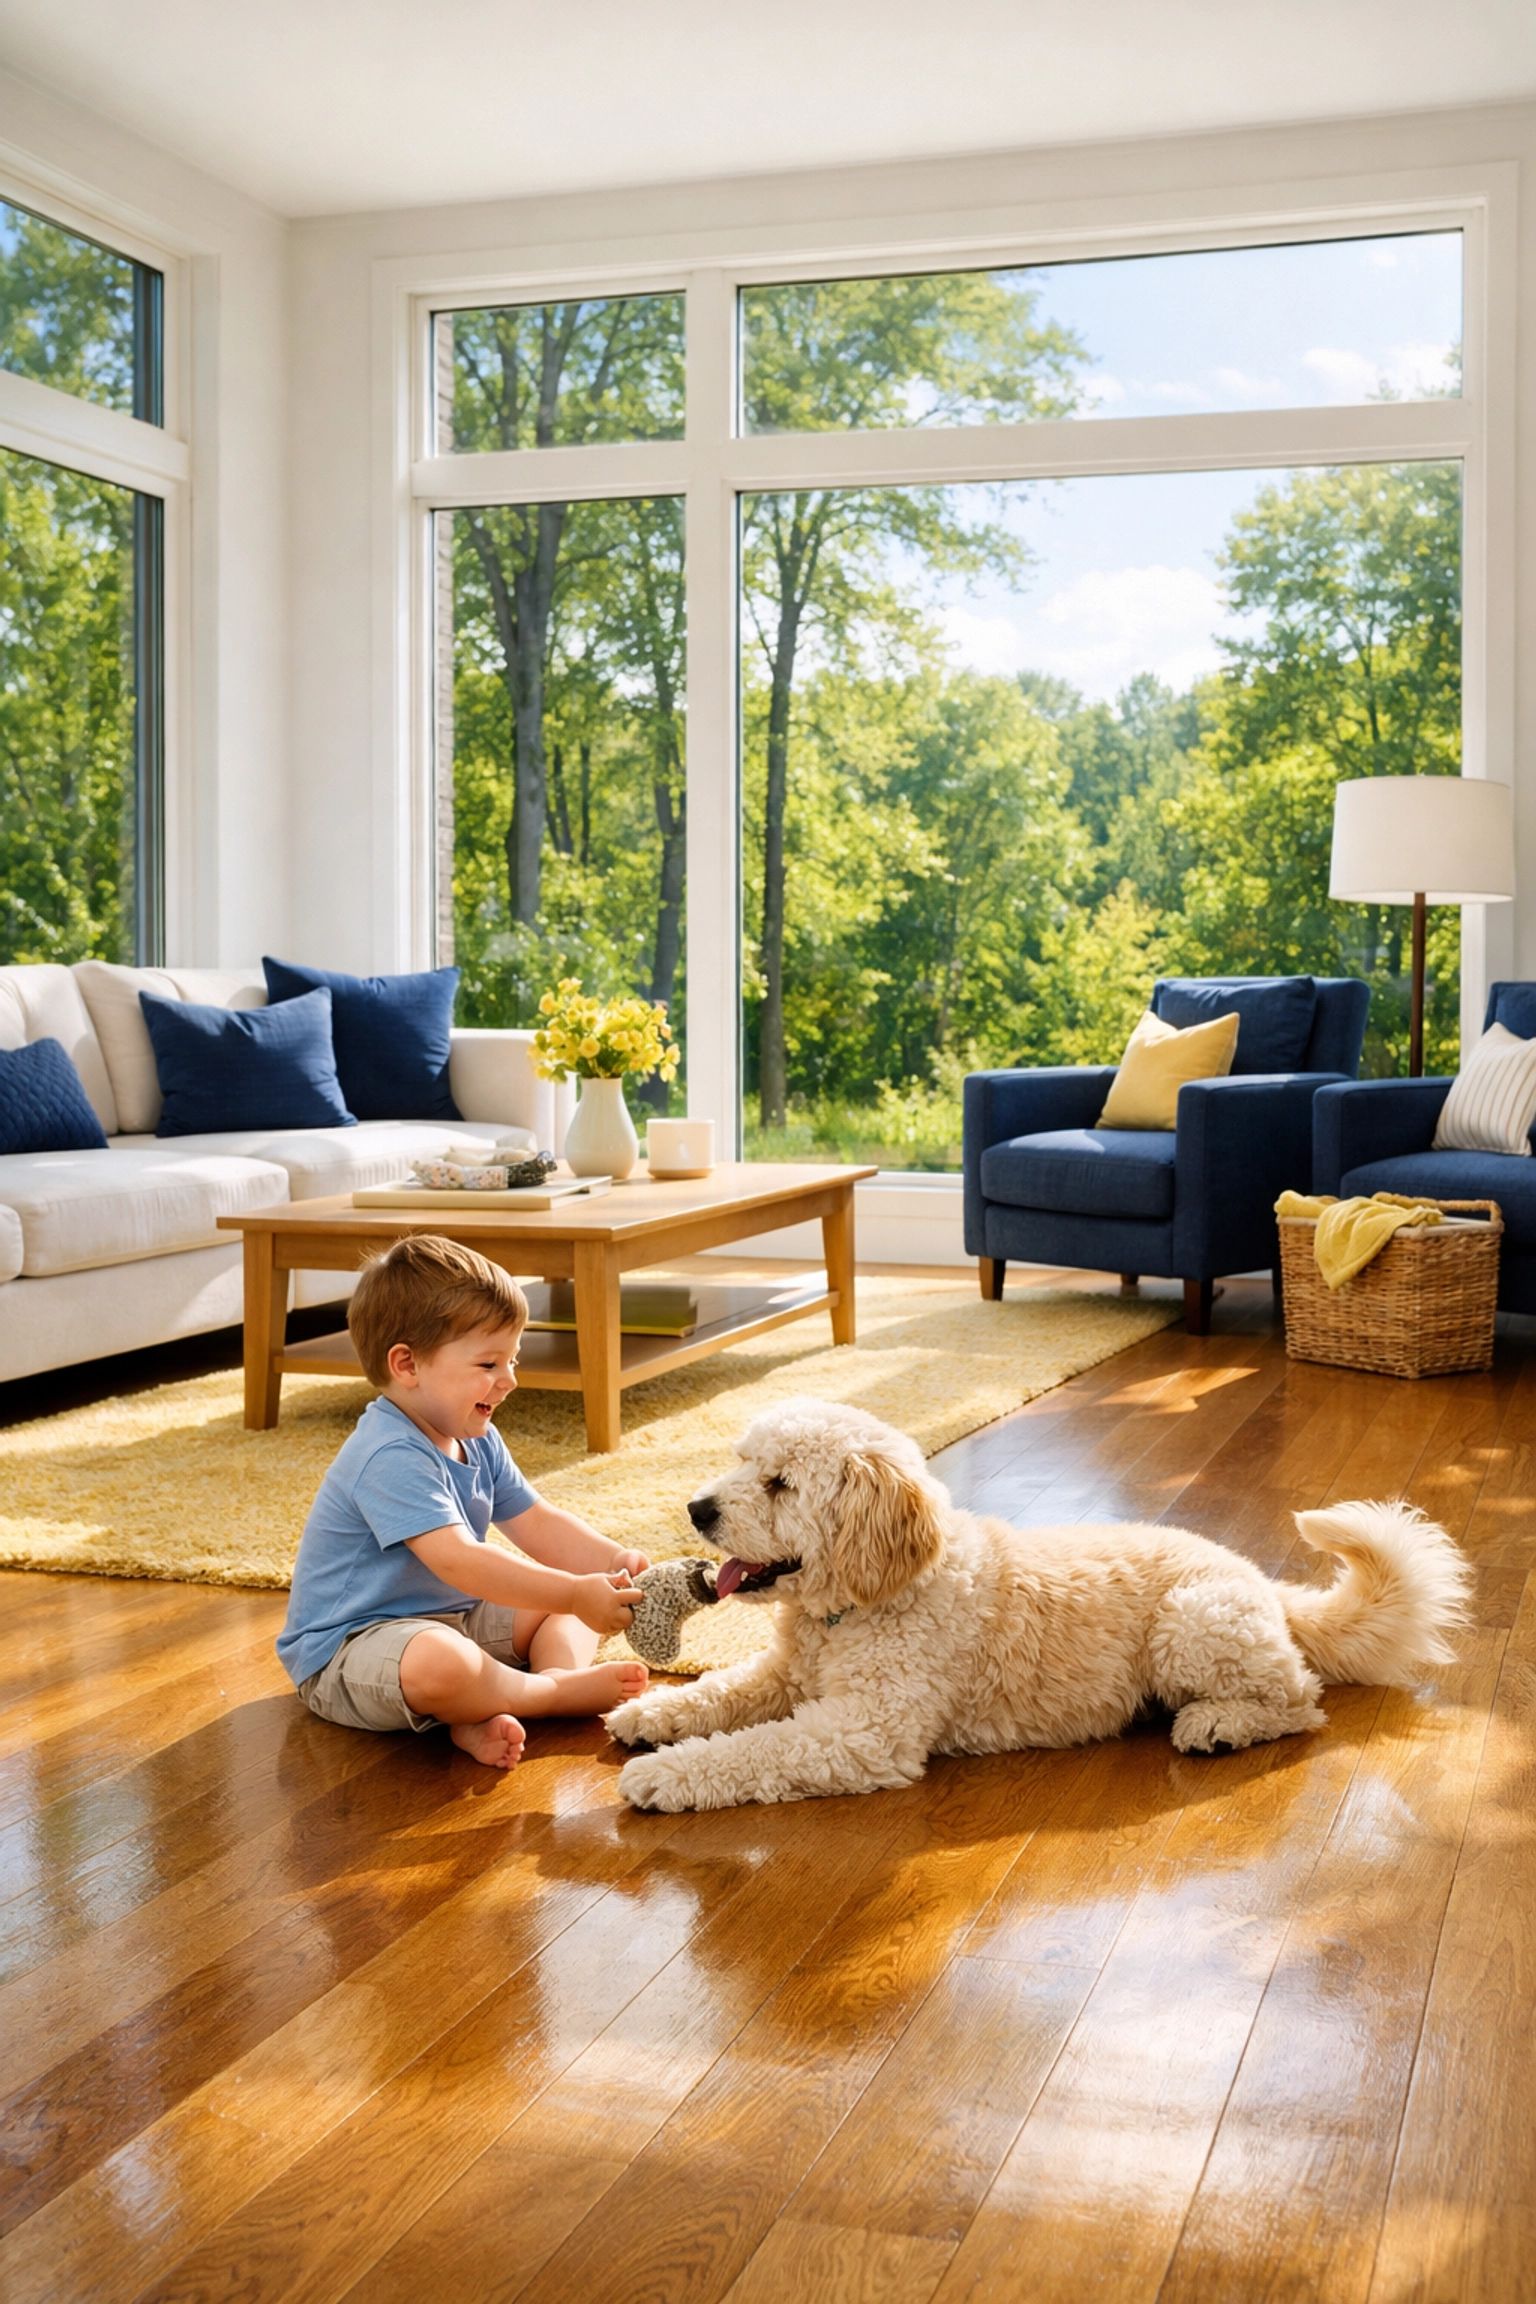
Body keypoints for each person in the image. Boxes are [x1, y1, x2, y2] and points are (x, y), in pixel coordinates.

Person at [277, 1233, 649, 1768]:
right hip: (350, 1649)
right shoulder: (387, 1453)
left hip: (451, 1616)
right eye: (489, 1364)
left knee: (559, 1604)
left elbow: (537, 1521)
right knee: (445, 1664)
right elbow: (460, 1560)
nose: (511, 1379)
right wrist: (573, 1593)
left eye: (512, 1359)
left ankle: (505, 1698)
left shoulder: (474, 1434)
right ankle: (546, 1697)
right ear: (407, 1365)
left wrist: (612, 1563)